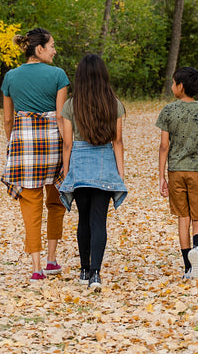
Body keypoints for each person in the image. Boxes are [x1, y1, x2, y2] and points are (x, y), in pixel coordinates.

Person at [1, 27, 70, 282]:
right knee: (55, 203)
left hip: (24, 148)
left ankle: (36, 267)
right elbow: (62, 116)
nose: (54, 51)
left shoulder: (10, 76)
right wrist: (67, 150)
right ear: (39, 49)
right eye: (52, 46)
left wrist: (14, 143)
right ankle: (52, 260)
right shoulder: (58, 75)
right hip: (53, 146)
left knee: (30, 206)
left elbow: (8, 119)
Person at [58, 54, 127, 291]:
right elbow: (117, 142)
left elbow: (67, 144)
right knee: (99, 221)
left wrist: (68, 174)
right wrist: (120, 172)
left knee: (83, 220)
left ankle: (84, 269)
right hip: (104, 165)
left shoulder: (70, 105)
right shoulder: (114, 104)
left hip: (79, 165)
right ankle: (96, 273)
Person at [156, 66, 198, 280]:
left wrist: (161, 176)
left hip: (175, 171)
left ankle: (188, 268)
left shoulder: (168, 111)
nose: (172, 86)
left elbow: (164, 146)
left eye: (174, 83)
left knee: (183, 217)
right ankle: (197, 252)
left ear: (180, 86)